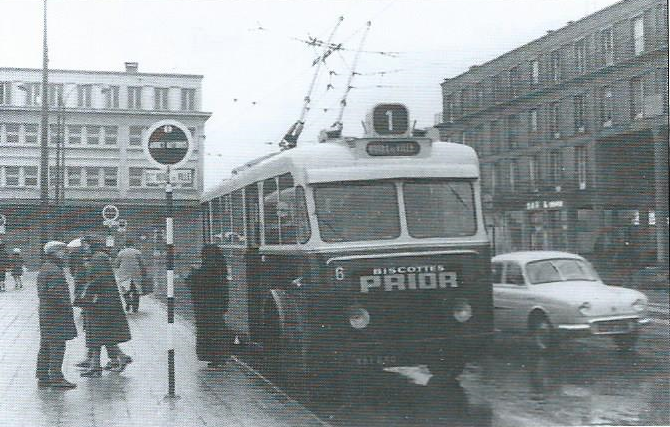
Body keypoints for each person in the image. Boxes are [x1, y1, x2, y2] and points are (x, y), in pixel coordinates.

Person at [80, 236, 133, 377]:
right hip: (102, 302)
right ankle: (107, 362)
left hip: (102, 303)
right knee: (100, 335)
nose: (84, 248)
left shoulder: (98, 259)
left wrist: (86, 290)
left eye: (85, 245)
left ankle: (97, 367)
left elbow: (98, 279)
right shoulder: (98, 257)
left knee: (98, 334)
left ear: (92, 245)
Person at [36, 241, 77, 388]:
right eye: (62, 251)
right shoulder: (54, 270)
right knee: (58, 345)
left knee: (46, 344)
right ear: (55, 252)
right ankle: (56, 377)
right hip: (56, 313)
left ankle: (42, 376)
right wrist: (66, 306)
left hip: (47, 312)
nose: (65, 254)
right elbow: (55, 293)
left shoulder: (46, 267)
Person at [186, 244, 230, 368]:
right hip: (217, 304)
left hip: (205, 306)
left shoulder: (206, 269)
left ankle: (215, 357)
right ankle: (221, 356)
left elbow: (193, 283)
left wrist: (192, 272)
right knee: (219, 329)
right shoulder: (220, 267)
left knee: (209, 331)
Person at [115, 239, 146, 313]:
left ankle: (128, 301)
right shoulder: (137, 252)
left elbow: (116, 264)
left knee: (125, 291)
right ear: (133, 245)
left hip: (124, 275)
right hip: (136, 274)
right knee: (136, 292)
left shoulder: (121, 253)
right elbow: (142, 263)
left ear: (125, 245)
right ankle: (135, 308)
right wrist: (144, 273)